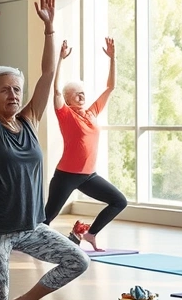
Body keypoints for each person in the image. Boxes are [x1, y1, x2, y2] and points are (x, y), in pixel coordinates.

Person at [0, 0, 89, 300]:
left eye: (17, 89)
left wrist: (50, 29)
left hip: (29, 225)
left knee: (77, 262)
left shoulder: (29, 121)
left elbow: (48, 72)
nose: (13, 95)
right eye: (4, 90)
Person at [43, 38, 127, 252]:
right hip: (66, 175)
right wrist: (60, 60)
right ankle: (27, 242)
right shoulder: (65, 114)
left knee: (119, 201)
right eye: (76, 94)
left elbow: (111, 87)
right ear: (68, 99)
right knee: (46, 219)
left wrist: (112, 58)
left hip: (89, 176)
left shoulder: (91, 112)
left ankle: (90, 234)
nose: (81, 96)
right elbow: (56, 91)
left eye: (82, 93)